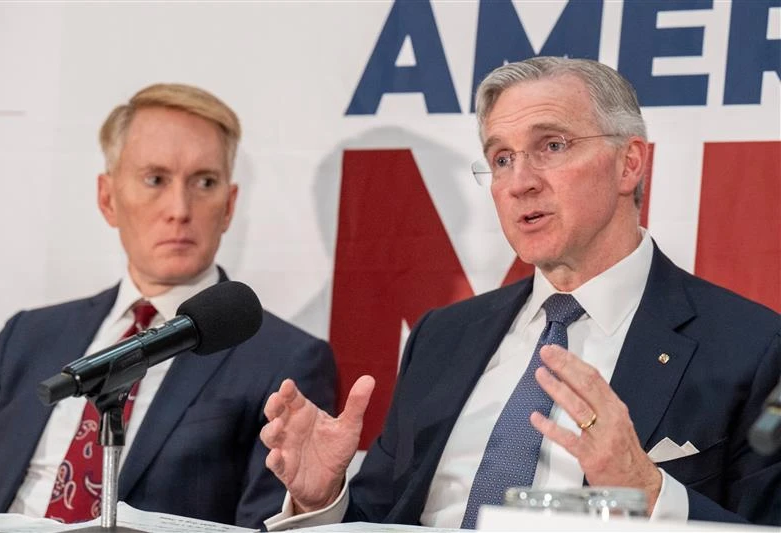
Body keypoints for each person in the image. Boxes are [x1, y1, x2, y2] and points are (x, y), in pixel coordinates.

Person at [259, 57, 781, 529]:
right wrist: (322, 501)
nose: (519, 182)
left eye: (551, 146)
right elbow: (381, 519)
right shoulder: (443, 337)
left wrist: (648, 492)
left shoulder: (752, 348)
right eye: (502, 158)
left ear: (629, 164)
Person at [0, 83, 337, 528]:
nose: (179, 208)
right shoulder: (28, 336)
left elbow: (267, 522)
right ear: (107, 198)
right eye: (155, 179)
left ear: (228, 207)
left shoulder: (286, 358)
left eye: (204, 182)